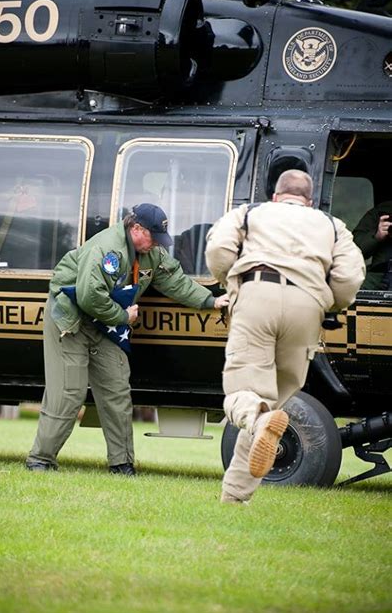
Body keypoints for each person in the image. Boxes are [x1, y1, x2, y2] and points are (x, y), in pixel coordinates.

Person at [26, 203, 229, 475]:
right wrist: (123, 317)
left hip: (106, 325)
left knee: (117, 392)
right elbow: (88, 295)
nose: (157, 244)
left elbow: (175, 282)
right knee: (68, 394)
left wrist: (211, 301)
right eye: (153, 237)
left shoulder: (151, 253)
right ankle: (41, 460)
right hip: (73, 321)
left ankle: (121, 464)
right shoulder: (108, 250)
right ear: (135, 228)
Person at [205, 169, 365, 505]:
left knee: (244, 395)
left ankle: (260, 422)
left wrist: (232, 283)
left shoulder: (250, 212)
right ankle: (235, 497)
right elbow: (350, 277)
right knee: (271, 404)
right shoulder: (332, 225)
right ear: (308, 200)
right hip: (307, 305)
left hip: (257, 293)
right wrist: (327, 302)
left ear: (276, 196)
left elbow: (218, 247)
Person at [353, 201, 392, 290]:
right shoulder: (382, 211)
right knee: (348, 291)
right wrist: (377, 236)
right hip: (380, 274)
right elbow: (354, 249)